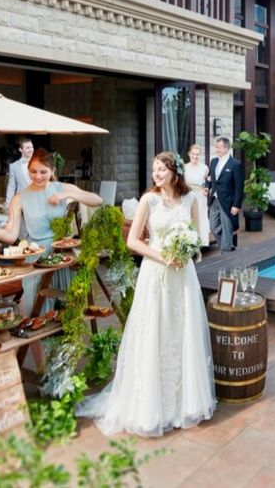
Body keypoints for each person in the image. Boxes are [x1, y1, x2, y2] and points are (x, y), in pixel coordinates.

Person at [77, 152, 216, 435]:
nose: (156, 174)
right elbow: (132, 241)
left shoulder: (190, 199)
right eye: (154, 169)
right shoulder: (148, 200)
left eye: (161, 169)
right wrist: (163, 256)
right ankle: (152, 407)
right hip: (156, 272)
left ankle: (186, 402)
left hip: (183, 275)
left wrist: (188, 252)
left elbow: (198, 237)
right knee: (155, 330)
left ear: (175, 172)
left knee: (183, 330)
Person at [0, 148, 102, 315]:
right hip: (37, 255)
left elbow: (97, 200)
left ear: (52, 171)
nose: (38, 176)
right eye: (33, 171)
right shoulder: (19, 198)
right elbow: (11, 235)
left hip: (63, 254)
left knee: (69, 309)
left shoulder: (62, 188)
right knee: (37, 309)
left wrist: (68, 195)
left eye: (43, 172)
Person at [208, 136, 244, 254]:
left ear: (227, 148)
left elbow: (239, 187)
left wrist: (236, 205)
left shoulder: (235, 164)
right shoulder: (213, 161)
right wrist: (207, 187)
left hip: (228, 201)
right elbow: (210, 178)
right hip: (214, 199)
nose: (217, 149)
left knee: (227, 227)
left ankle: (226, 252)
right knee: (213, 227)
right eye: (216, 147)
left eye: (219, 147)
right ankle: (228, 245)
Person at [184, 144, 210, 247]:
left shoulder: (204, 168)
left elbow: (209, 181)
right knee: (188, 217)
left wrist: (207, 188)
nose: (195, 156)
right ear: (189, 154)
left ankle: (201, 242)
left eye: (197, 154)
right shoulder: (184, 167)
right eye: (193, 154)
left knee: (200, 217)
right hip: (188, 195)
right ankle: (189, 242)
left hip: (200, 197)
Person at [5, 137, 34, 207]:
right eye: (28, 148)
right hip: (21, 202)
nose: (31, 150)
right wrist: (8, 204)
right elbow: (11, 186)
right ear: (20, 149)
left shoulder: (39, 163)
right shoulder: (13, 166)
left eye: (32, 147)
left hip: (37, 201)